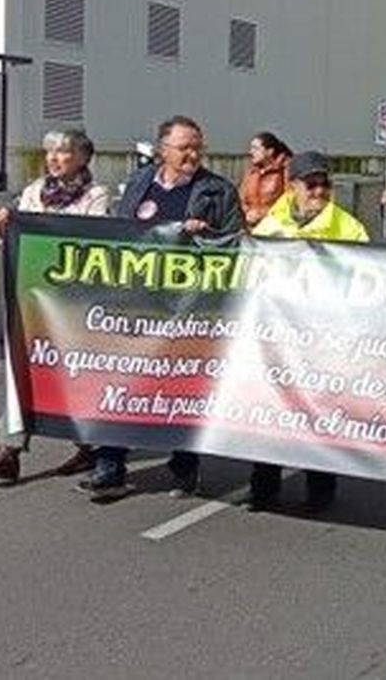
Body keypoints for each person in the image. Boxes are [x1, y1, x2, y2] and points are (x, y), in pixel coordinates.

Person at [83, 116, 244, 501]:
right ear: (162, 150)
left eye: (198, 147)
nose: (193, 154)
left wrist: (207, 235)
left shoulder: (217, 190)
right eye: (184, 147)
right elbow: (122, 234)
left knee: (180, 386)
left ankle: (184, 465)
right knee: (120, 381)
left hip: (188, 307)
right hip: (136, 304)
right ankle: (109, 465)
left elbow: (237, 242)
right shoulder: (139, 183)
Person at [0, 129, 111, 483]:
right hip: (35, 298)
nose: (53, 158)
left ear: (83, 158)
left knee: (75, 374)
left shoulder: (96, 195)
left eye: (63, 152)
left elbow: (95, 241)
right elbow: (17, 243)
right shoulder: (34, 191)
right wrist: (6, 225)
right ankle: (9, 449)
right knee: (24, 367)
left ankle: (90, 446)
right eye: (50, 152)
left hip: (75, 302)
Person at [248, 151, 368, 511]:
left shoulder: (349, 228)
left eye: (324, 184)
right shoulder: (270, 227)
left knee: (319, 413)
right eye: (311, 184)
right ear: (292, 186)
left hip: (323, 339)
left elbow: (366, 281)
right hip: (276, 338)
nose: (319, 191)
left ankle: (320, 490)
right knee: (270, 412)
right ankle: (263, 488)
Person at [238, 130, 290, 226]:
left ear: (269, 151)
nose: (251, 152)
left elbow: (290, 201)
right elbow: (241, 199)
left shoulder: (284, 170)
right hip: (250, 226)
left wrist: (264, 214)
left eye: (255, 148)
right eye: (251, 148)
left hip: (276, 226)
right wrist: (247, 212)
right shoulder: (251, 173)